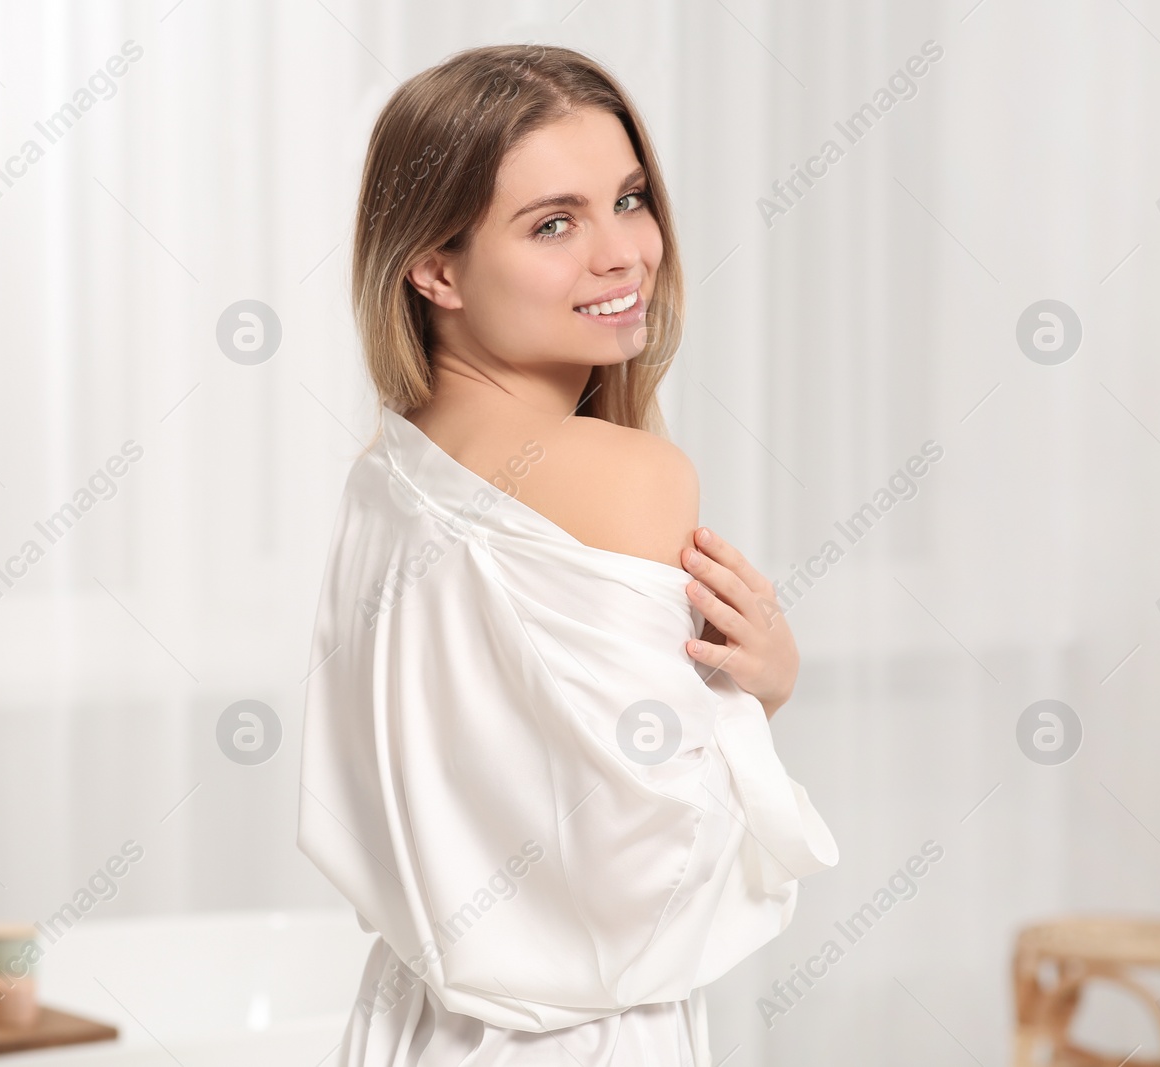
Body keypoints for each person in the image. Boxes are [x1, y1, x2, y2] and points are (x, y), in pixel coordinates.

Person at [297, 43, 838, 1066]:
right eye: (554, 222)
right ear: (435, 265)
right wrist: (756, 696)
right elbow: (643, 871)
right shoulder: (630, 475)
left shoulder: (384, 473)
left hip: (409, 1025)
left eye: (630, 199)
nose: (623, 252)